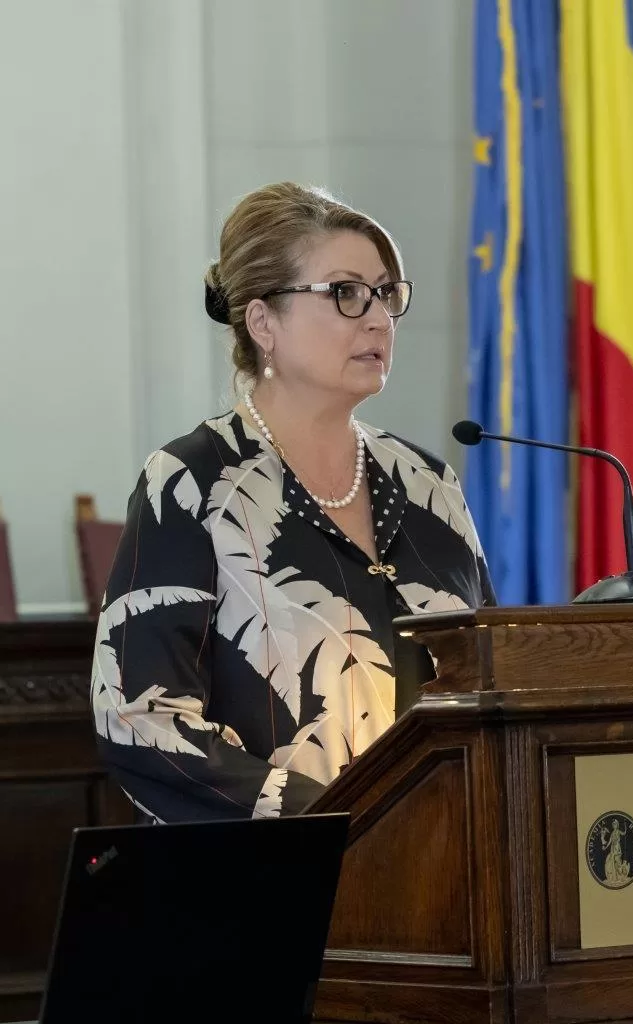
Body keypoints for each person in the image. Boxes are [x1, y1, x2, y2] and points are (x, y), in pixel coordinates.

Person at [91, 182, 496, 823]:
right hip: (278, 866)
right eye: (346, 293)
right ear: (263, 322)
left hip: (445, 856)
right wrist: (338, 817)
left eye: (385, 293)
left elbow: (491, 681)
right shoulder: (193, 482)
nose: (378, 319)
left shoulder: (428, 484)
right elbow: (140, 718)